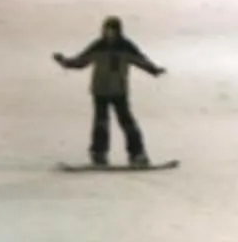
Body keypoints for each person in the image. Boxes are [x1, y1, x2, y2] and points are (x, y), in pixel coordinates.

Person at [54, 18, 164, 167]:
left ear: (118, 31)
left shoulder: (126, 47)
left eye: (112, 30)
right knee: (101, 123)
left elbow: (140, 60)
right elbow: (81, 61)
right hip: (100, 91)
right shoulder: (98, 46)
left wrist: (154, 70)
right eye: (107, 30)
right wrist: (65, 62)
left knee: (127, 123)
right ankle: (99, 154)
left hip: (119, 91)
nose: (109, 33)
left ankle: (137, 154)